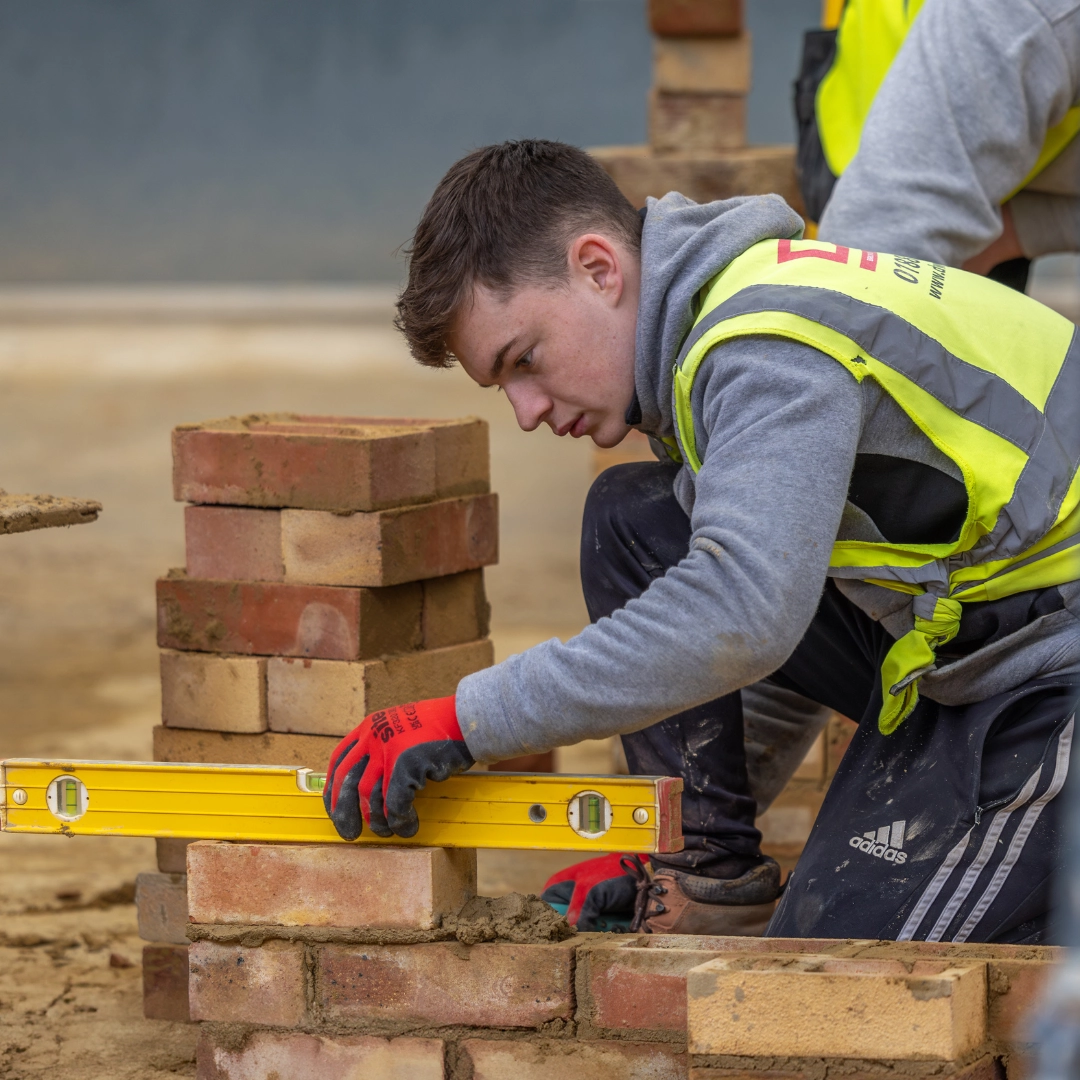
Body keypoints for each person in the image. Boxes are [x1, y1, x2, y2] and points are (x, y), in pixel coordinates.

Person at [323, 139, 1079, 943]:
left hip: (1053, 666)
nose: (527, 410)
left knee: (836, 979)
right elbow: (792, 614)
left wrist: (466, 718)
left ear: (598, 269)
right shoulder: (730, 317)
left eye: (526, 361)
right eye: (502, 385)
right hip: (970, 637)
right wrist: (666, 835)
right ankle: (702, 878)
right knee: (637, 518)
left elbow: (743, 612)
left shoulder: (765, 347)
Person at [797, 0, 1080, 290]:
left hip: (994, 185)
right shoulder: (1020, 14)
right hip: (877, 163)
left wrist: (1020, 230)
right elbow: (865, 256)